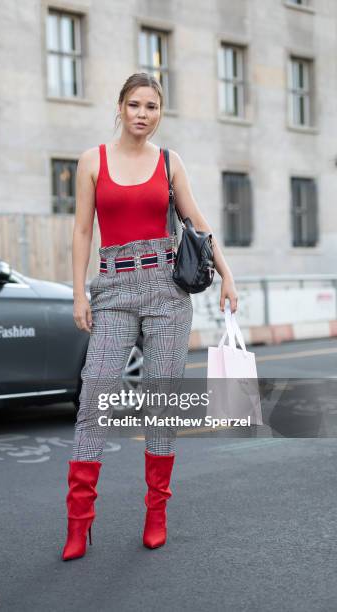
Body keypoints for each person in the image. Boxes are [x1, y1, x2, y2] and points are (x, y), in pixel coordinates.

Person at [61, 72, 238, 561]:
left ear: (160, 113)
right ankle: (79, 524)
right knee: (94, 396)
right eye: (135, 104)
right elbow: (80, 232)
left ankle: (156, 514)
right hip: (113, 290)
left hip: (166, 292)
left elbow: (198, 223)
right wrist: (80, 294)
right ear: (119, 106)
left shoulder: (169, 162)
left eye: (152, 106)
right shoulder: (91, 162)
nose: (143, 113)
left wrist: (227, 275)